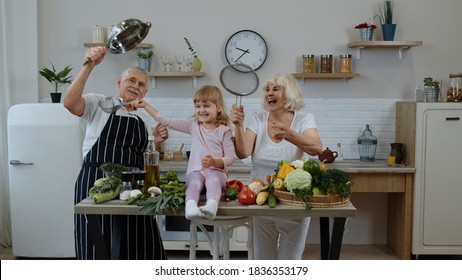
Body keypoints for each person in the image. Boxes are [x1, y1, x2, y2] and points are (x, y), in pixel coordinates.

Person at [63, 46, 169, 260]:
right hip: (95, 183)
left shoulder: (144, 119)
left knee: (139, 246)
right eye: (131, 80)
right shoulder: (99, 103)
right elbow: (70, 103)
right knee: (96, 247)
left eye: (141, 85)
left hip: (134, 190)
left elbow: (143, 158)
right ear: (119, 82)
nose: (135, 86)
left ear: (145, 93)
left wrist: (155, 143)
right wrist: (89, 65)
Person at [229, 73, 322, 260]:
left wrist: (289, 134)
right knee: (263, 261)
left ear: (289, 94)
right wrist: (238, 125)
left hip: (293, 201)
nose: (269, 93)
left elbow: (316, 148)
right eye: (267, 89)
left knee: (290, 262)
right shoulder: (258, 119)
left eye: (276, 89)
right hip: (261, 201)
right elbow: (243, 152)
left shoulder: (304, 119)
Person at [133, 85, 235, 220]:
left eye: (206, 106)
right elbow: (166, 120)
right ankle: (191, 207)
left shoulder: (224, 131)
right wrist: (145, 105)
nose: (201, 110)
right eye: (198, 106)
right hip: (195, 170)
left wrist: (215, 162)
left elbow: (230, 157)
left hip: (216, 171)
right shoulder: (193, 127)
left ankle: (212, 206)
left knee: (213, 180)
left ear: (219, 107)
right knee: (193, 183)